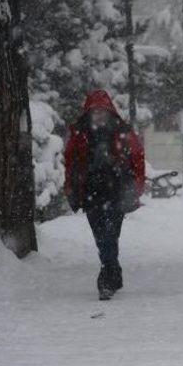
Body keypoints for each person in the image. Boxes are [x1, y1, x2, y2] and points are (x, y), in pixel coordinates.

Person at [64, 89, 145, 301]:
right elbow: (71, 163)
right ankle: (112, 270)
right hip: (91, 193)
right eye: (94, 111)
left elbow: (137, 159)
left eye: (102, 111)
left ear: (109, 111)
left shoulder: (121, 132)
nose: (99, 115)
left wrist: (136, 188)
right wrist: (72, 189)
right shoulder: (80, 133)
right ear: (88, 113)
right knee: (101, 238)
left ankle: (107, 278)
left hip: (116, 192)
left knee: (109, 235)